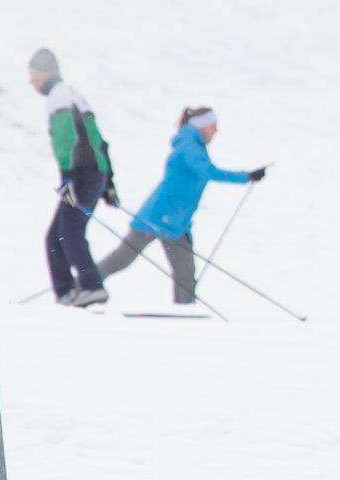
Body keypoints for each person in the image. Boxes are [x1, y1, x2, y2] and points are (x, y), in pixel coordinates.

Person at [97, 106, 267, 305]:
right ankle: (83, 286)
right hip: (158, 217)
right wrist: (246, 177)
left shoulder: (193, 144)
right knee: (122, 259)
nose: (216, 131)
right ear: (203, 126)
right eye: (214, 126)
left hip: (175, 222)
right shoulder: (189, 145)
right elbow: (208, 171)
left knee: (184, 273)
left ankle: (185, 312)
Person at [29, 47, 117, 307]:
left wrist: (67, 176)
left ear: (45, 72)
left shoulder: (58, 97)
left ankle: (89, 286)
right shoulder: (72, 93)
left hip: (82, 174)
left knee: (68, 232)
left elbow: (66, 138)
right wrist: (109, 182)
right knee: (58, 235)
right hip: (94, 173)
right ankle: (69, 292)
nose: (31, 81)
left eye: (33, 74)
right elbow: (100, 140)